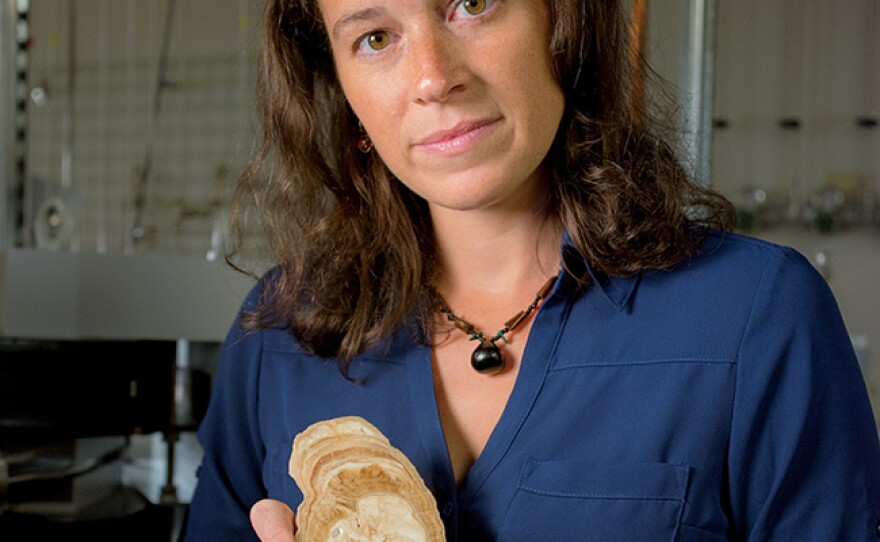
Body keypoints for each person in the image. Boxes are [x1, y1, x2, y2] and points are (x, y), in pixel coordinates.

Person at [178, 0, 880, 539]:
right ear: (342, 93)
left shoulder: (756, 314)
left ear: (560, 21)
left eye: (472, 2)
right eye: (375, 37)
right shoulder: (279, 332)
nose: (434, 77)